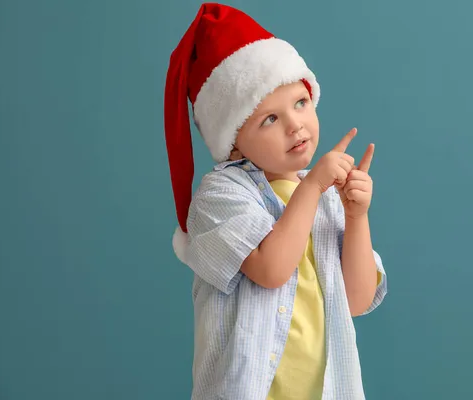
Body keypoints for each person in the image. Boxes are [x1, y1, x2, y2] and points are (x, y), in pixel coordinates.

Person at [164, 3, 387, 399]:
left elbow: (357, 299)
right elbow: (271, 269)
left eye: (300, 103)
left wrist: (356, 217)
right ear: (232, 143)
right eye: (269, 119)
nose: (295, 124)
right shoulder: (221, 197)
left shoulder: (324, 196)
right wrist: (313, 186)